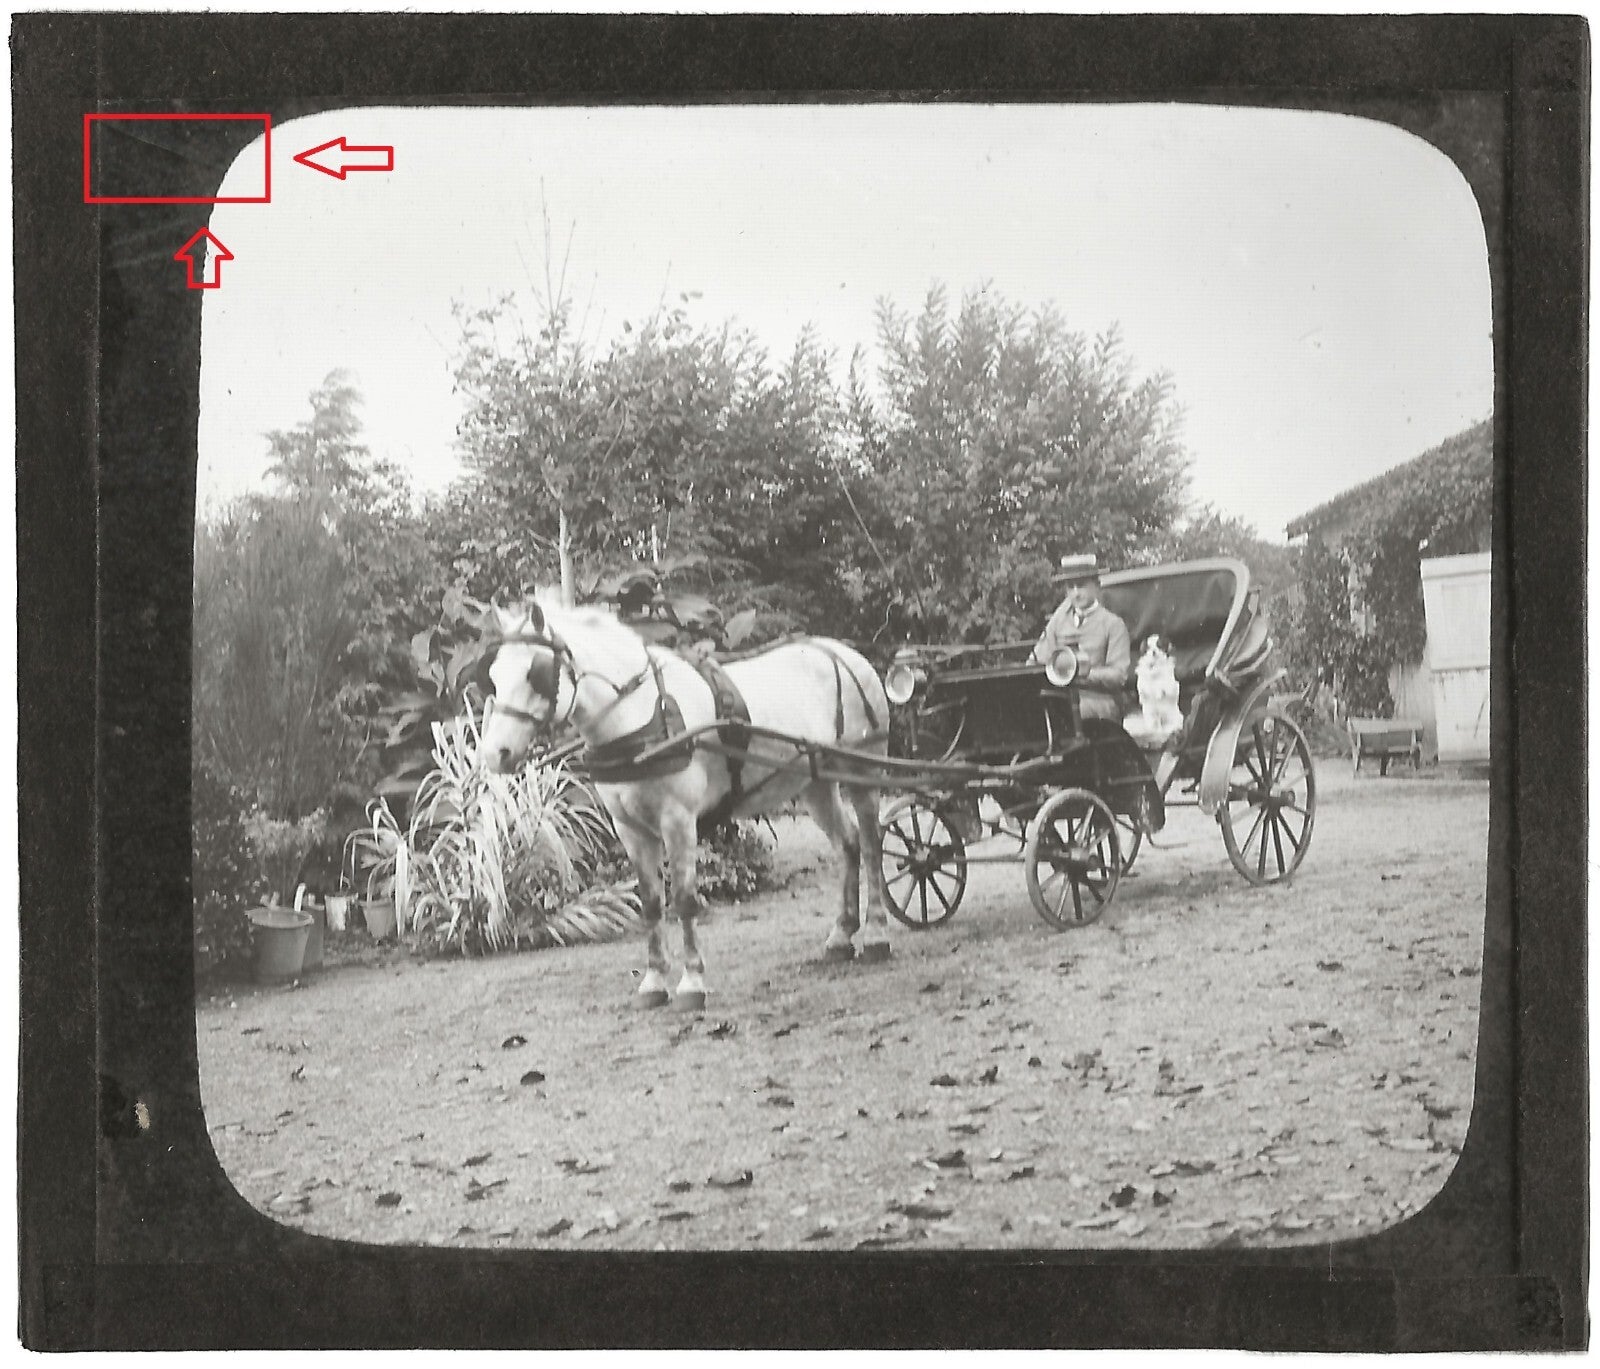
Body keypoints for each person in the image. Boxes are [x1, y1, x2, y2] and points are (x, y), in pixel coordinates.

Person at [1033, 554, 1131, 722]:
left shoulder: (1113, 624)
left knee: (1070, 713)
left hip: (1099, 700)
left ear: (1097, 586)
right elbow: (1037, 660)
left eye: (1081, 586)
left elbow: (1119, 675)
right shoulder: (1058, 621)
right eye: (1070, 587)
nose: (1076, 593)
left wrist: (1079, 673)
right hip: (1060, 697)